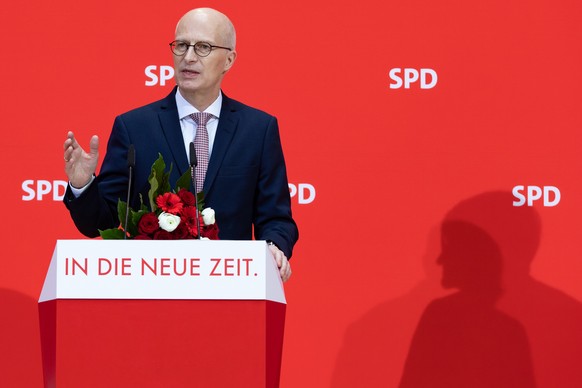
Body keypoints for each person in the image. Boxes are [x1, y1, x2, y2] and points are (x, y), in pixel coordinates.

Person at [62, 8, 297, 281]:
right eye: (182, 45)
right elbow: (100, 223)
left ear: (229, 59)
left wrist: (273, 247)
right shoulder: (135, 127)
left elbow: (277, 218)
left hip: (232, 288)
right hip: (152, 290)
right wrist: (83, 186)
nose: (188, 57)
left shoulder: (258, 129)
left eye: (203, 47)